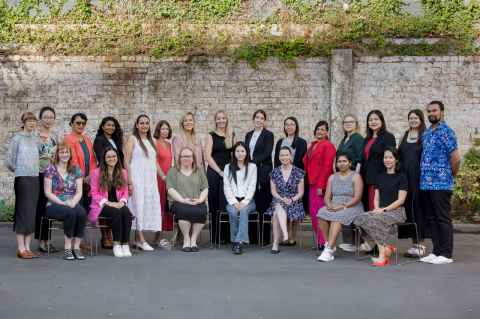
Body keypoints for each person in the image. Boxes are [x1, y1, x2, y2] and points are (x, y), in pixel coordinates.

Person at [419, 101, 461, 265]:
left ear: (442, 112)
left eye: (434, 110)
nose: (431, 113)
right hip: (426, 184)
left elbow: (456, 158)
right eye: (429, 111)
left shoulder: (446, 132)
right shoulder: (427, 132)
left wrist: (449, 175)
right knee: (431, 218)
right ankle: (436, 251)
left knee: (443, 218)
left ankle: (446, 253)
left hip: (441, 183)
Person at [354, 148, 407, 267]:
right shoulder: (380, 176)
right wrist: (377, 208)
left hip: (396, 211)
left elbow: (401, 200)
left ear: (396, 159)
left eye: (390, 157)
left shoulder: (401, 177)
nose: (387, 160)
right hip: (381, 210)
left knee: (375, 220)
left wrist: (384, 210)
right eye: (385, 157)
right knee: (359, 218)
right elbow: (376, 197)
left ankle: (382, 255)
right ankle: (386, 247)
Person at [317, 153, 364, 262]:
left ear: (350, 163)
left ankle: (328, 250)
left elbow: (357, 197)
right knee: (321, 213)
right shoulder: (332, 177)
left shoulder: (356, 176)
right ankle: (330, 244)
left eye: (344, 161)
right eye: (339, 162)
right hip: (334, 204)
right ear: (336, 164)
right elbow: (327, 196)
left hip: (352, 206)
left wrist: (342, 207)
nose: (342, 164)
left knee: (337, 217)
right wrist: (329, 205)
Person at [360, 110, 396, 252]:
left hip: (380, 180)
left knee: (378, 212)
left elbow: (391, 158)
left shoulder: (388, 137)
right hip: (366, 179)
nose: (373, 122)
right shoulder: (366, 139)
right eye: (370, 119)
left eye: (376, 119)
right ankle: (374, 243)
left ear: (382, 121)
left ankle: (380, 245)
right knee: (370, 212)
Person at [44, 142, 87, 261]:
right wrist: (63, 203)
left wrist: (73, 202)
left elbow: (79, 192)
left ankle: (76, 247)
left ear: (70, 154)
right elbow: (48, 192)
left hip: (72, 201)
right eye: (61, 152)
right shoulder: (50, 169)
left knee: (82, 213)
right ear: (57, 154)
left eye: (66, 152)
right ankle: (67, 248)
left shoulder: (75, 169)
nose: (64, 154)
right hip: (54, 204)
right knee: (71, 213)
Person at [124, 114, 162, 251]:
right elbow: (126, 161)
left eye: (146, 123)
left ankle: (136, 240)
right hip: (137, 178)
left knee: (145, 207)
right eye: (141, 123)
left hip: (150, 180)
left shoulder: (152, 141)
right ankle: (141, 239)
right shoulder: (132, 139)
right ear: (137, 124)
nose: (144, 125)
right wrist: (129, 180)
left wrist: (163, 176)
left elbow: (154, 162)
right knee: (137, 206)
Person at [6, 112, 41, 259]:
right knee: (22, 212)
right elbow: (9, 161)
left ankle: (27, 247)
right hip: (22, 178)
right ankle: (20, 248)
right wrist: (20, 169)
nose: (32, 123)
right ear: (24, 122)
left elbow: (42, 157)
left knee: (31, 213)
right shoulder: (17, 139)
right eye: (29, 121)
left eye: (34, 121)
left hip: (35, 178)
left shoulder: (36, 139)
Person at [90, 148, 133, 258]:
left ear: (117, 158)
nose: (111, 159)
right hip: (102, 205)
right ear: (104, 159)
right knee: (116, 212)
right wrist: (109, 203)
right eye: (108, 157)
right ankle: (117, 244)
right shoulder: (96, 173)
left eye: (114, 156)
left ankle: (125, 244)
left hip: (118, 203)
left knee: (127, 213)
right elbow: (94, 193)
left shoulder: (122, 172)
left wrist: (123, 202)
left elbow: (125, 192)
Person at [166, 146, 209, 252]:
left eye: (189, 156)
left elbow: (205, 188)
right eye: (183, 156)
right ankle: (186, 239)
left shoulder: (199, 170)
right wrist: (182, 200)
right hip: (178, 201)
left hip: (196, 200)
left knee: (202, 211)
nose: (186, 158)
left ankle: (193, 240)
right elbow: (170, 189)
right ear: (179, 158)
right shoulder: (173, 171)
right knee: (184, 210)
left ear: (193, 158)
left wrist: (200, 200)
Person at [273, 116, 308, 246]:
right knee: (283, 207)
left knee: (293, 209)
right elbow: (276, 161)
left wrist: (295, 178)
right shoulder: (280, 142)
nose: (289, 126)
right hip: (281, 180)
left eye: (292, 124)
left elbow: (301, 163)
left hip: (295, 180)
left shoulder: (301, 142)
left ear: (296, 126)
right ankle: (284, 235)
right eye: (287, 124)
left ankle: (292, 236)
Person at [398, 109, 428, 258]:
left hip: (418, 178)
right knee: (407, 211)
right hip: (405, 178)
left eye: (416, 118)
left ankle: (421, 244)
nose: (413, 120)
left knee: (418, 210)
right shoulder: (405, 135)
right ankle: (413, 244)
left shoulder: (425, 136)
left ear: (421, 120)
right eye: (411, 118)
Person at [303, 120, 336, 249]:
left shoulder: (328, 145)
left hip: (320, 184)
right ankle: (320, 241)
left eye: (323, 129)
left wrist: (321, 186)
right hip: (311, 183)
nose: (320, 131)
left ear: (327, 132)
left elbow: (327, 167)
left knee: (320, 214)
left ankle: (324, 242)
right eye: (318, 129)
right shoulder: (313, 145)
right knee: (314, 213)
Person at [93, 116, 125, 249]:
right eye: (107, 125)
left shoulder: (115, 140)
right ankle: (105, 235)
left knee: (114, 201)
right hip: (104, 175)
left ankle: (111, 234)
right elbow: (101, 158)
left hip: (116, 174)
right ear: (102, 127)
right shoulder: (99, 140)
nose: (110, 127)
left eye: (113, 125)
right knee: (105, 203)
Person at [267, 146, 305, 254]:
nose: (284, 157)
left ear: (291, 156)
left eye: (286, 155)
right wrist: (282, 198)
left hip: (294, 202)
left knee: (276, 212)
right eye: (282, 155)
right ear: (279, 157)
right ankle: (281, 237)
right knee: (277, 209)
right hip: (279, 199)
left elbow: (301, 192)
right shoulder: (274, 172)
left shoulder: (299, 172)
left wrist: (292, 199)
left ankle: (279, 240)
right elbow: (273, 192)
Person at [336, 114, 365, 253]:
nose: (348, 124)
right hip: (342, 176)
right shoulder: (344, 139)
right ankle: (349, 241)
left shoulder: (358, 138)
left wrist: (356, 175)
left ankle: (357, 242)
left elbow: (360, 158)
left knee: (352, 207)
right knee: (344, 206)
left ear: (356, 124)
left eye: (351, 122)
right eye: (345, 122)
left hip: (352, 177)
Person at [245, 109, 274, 245]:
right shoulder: (248, 134)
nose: (259, 120)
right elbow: (245, 152)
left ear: (264, 121)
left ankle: (265, 238)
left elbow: (267, 153)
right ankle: (252, 237)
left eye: (262, 118)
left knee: (264, 203)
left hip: (263, 172)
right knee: (252, 201)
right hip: (250, 172)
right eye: (257, 117)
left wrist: (251, 162)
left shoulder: (268, 135)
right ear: (253, 119)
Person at [205, 110, 234, 245]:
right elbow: (208, 156)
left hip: (228, 173)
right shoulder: (210, 136)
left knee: (227, 203)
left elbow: (234, 156)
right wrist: (219, 171)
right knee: (214, 203)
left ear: (227, 120)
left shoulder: (230, 135)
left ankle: (227, 236)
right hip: (214, 172)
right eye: (218, 118)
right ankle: (215, 236)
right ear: (215, 121)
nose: (221, 120)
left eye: (223, 118)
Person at [223, 142, 257, 255]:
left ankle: (238, 242)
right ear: (234, 153)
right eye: (237, 151)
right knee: (232, 211)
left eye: (242, 151)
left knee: (243, 210)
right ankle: (236, 240)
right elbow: (226, 187)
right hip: (232, 200)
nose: (240, 153)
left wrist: (244, 202)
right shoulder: (228, 167)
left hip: (248, 201)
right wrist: (234, 202)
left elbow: (252, 186)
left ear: (247, 153)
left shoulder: (252, 167)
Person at [35, 107, 59, 253]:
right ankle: (41, 241)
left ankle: (48, 240)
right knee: (41, 207)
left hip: (52, 176)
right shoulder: (35, 136)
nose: (49, 120)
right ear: (40, 119)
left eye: (51, 117)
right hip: (39, 175)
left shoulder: (54, 137)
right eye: (46, 117)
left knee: (49, 207)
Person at [64, 113, 97, 210]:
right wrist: (82, 178)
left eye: (83, 123)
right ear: (71, 124)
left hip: (88, 181)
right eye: (78, 123)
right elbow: (71, 161)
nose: (81, 125)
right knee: (78, 209)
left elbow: (93, 160)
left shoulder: (87, 139)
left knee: (88, 209)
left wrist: (91, 176)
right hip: (75, 181)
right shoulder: (67, 139)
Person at [153, 120, 174, 247]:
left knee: (167, 205)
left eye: (167, 129)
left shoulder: (169, 144)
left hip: (169, 177)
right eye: (162, 129)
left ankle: (161, 236)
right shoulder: (155, 143)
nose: (165, 131)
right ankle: (156, 236)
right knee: (159, 205)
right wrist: (162, 175)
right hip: (159, 177)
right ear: (158, 130)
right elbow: (154, 161)